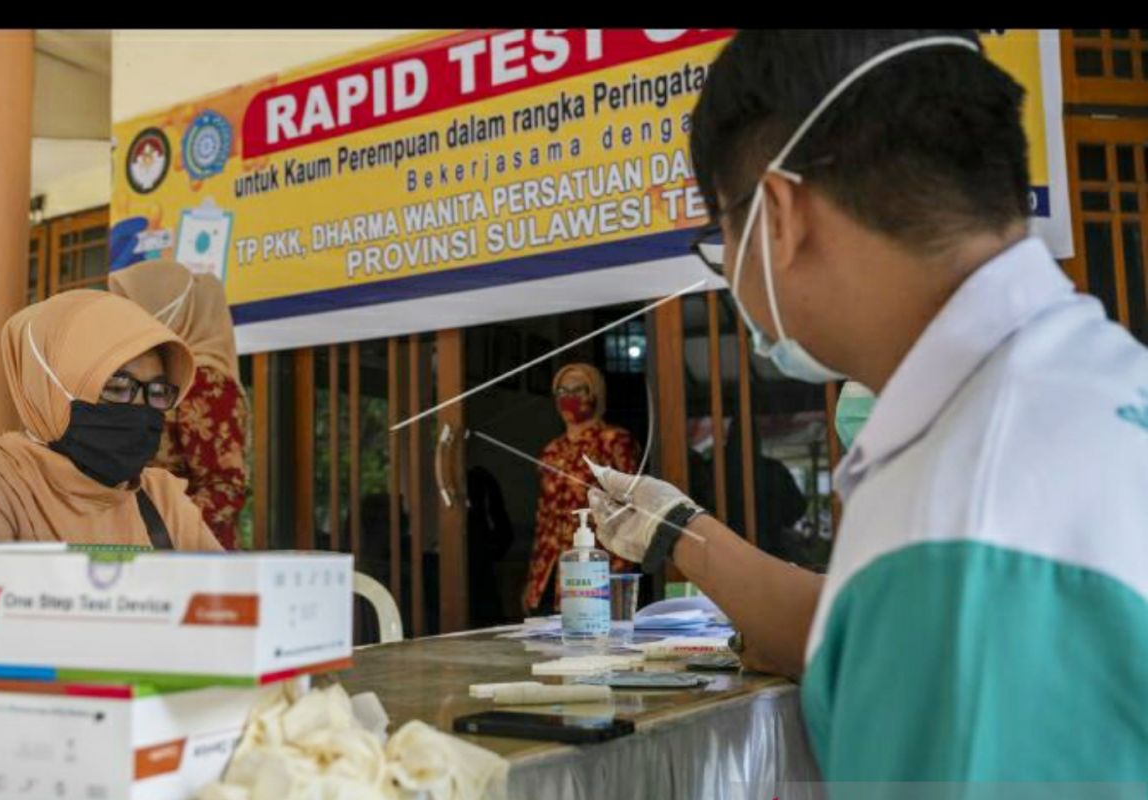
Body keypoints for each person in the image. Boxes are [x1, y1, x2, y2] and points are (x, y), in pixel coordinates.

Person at [588, 30, 1148, 785]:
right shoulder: (1095, 386)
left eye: (722, 238)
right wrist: (682, 532)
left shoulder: (961, 511)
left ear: (779, 216)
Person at [0, 290, 221, 550]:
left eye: (159, 391)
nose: (141, 407)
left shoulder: (161, 498)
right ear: (49, 389)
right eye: (116, 387)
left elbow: (221, 593)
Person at [109, 259, 248, 549]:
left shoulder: (207, 385)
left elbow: (223, 488)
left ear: (174, 313)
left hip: (185, 559)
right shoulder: (149, 377)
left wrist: (158, 531)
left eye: (137, 310)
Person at [523, 363, 640, 615]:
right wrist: (533, 579)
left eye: (579, 390)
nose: (569, 398)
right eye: (562, 391)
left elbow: (629, 507)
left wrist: (621, 568)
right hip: (551, 567)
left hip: (599, 564)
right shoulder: (551, 451)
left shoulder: (614, 441)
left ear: (595, 394)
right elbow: (543, 517)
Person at [467, 466, 515, 626]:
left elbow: (505, 535)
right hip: (480, 560)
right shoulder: (472, 516)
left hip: (483, 559)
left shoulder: (484, 512)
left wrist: (493, 552)